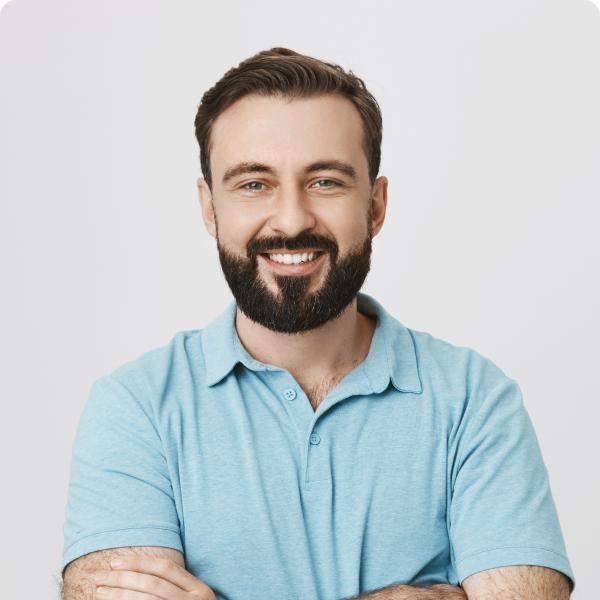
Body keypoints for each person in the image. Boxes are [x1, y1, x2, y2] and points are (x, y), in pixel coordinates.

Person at [61, 47, 575, 600]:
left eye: (325, 181)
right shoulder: (136, 406)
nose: (290, 220)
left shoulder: (475, 399)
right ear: (210, 208)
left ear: (375, 205)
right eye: (253, 184)